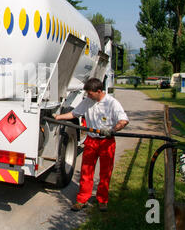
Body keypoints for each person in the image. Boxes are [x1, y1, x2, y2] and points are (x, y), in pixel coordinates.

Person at [53, 78, 129, 212]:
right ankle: (82, 199)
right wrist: (59, 117)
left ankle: (102, 200)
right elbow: (74, 113)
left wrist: (112, 130)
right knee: (86, 171)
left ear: (99, 91)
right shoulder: (88, 101)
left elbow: (123, 121)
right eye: (87, 93)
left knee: (105, 172)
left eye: (90, 93)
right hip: (91, 140)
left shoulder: (112, 103)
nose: (88, 96)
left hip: (107, 142)